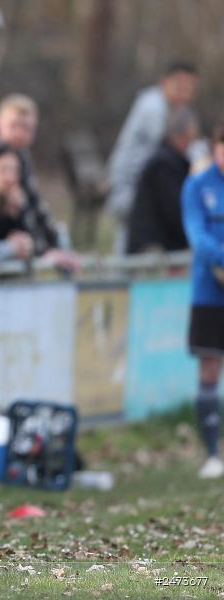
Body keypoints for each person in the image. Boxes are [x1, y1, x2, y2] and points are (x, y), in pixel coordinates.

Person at [109, 62, 199, 253]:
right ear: (165, 82)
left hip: (146, 189)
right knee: (133, 246)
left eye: (190, 86)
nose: (185, 91)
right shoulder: (153, 106)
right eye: (180, 84)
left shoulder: (171, 108)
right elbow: (172, 145)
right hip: (129, 188)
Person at [0, 94, 80, 271]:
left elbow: (35, 206)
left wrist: (55, 246)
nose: (20, 134)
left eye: (27, 128)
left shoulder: (23, 157)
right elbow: (22, 212)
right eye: (14, 125)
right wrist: (43, 252)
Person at [181, 119, 224, 479]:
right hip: (210, 292)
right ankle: (212, 453)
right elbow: (198, 236)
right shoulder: (197, 186)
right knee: (210, 366)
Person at [126, 106, 199, 254]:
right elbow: (177, 212)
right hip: (151, 251)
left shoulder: (169, 160)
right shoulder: (164, 165)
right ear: (185, 134)